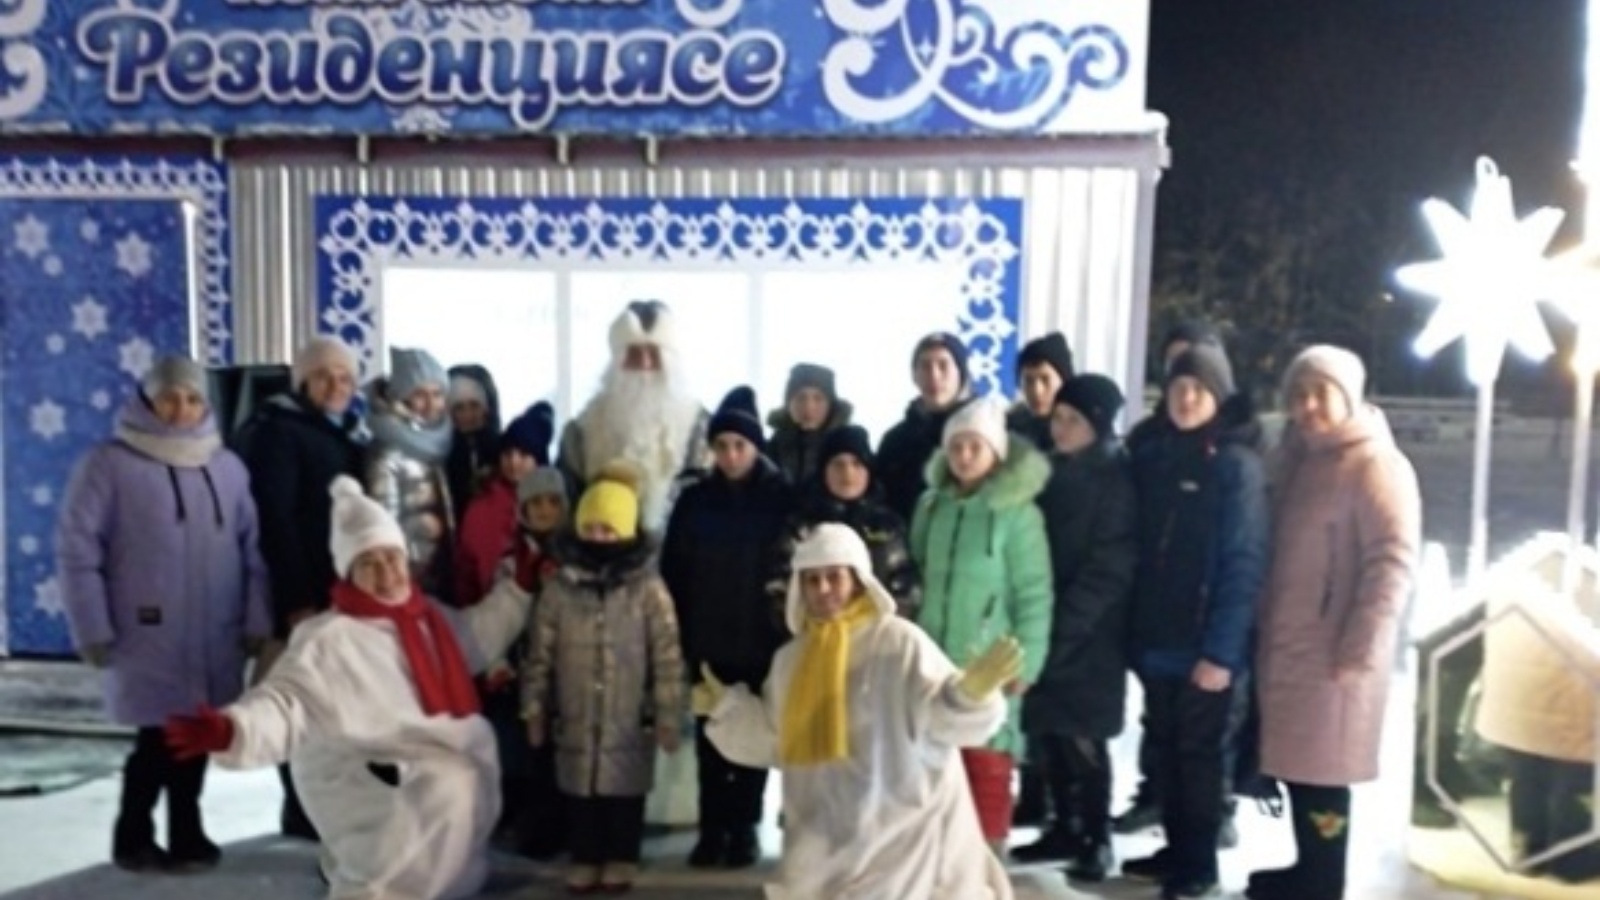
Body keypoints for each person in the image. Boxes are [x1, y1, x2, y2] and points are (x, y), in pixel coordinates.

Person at [165, 476, 529, 900]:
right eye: (368, 563)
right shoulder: (329, 637)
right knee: (445, 788)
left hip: (432, 754)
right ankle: (379, 890)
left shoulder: (427, 618)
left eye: (391, 558)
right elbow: (288, 701)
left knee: (459, 785)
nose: (385, 573)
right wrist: (235, 730)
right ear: (349, 572)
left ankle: (440, 880)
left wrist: (519, 590)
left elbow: (477, 636)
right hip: (359, 762)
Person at [699, 523, 1020, 900]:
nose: (823, 589)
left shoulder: (899, 642)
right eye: (812, 579)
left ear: (858, 579)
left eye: (834, 576)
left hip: (905, 839)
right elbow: (777, 741)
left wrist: (968, 696)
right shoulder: (790, 661)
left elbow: (939, 721)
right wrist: (728, 710)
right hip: (825, 838)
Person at [57, 355, 271, 873]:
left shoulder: (226, 467)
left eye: (193, 398)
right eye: (170, 397)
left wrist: (256, 620)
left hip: (213, 631)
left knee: (196, 734)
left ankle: (186, 830)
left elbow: (252, 551)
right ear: (147, 400)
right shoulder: (108, 465)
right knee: (156, 738)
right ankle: (133, 834)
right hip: (145, 633)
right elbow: (78, 551)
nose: (181, 408)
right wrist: (91, 626)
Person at [1248, 347, 1420, 900]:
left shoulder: (1374, 465)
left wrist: (1363, 645)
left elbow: (1392, 561)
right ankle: (1307, 868)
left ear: (1349, 396)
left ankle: (1323, 881)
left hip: (1335, 652)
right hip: (1290, 644)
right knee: (1301, 768)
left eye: (1320, 393)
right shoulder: (1297, 460)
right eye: (1298, 394)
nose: (1307, 406)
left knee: (1324, 772)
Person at [1121, 344, 1269, 900]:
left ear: (1219, 398)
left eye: (1199, 390)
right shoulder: (1156, 456)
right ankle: (1176, 849)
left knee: (1201, 758)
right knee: (1166, 750)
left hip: (1205, 645)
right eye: (1178, 387)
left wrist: (1222, 653)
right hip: (1158, 638)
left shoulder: (1236, 467)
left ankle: (1199, 863)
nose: (1186, 399)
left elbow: (1243, 562)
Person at [522, 461, 686, 894]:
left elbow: (667, 655)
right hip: (575, 711)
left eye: (608, 530)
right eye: (591, 528)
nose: (598, 538)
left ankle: (622, 854)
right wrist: (534, 706)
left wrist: (668, 713)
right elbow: (540, 653)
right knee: (580, 792)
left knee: (624, 793)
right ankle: (586, 855)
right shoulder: (560, 588)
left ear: (626, 532)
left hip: (629, 713)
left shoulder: (648, 589)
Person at [232, 335, 368, 841]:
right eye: (324, 376)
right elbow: (277, 520)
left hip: (340, 594)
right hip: (305, 597)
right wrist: (295, 600)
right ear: (303, 381)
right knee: (299, 700)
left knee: (332, 704)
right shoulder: (280, 434)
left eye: (345, 377)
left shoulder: (345, 432)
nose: (336, 386)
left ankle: (320, 803)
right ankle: (299, 805)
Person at [910, 394, 1054, 854]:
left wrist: (1026, 664)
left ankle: (988, 867)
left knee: (986, 765)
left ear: (995, 452)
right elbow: (914, 577)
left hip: (990, 664)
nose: (965, 455)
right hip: (932, 663)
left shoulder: (1018, 514)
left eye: (976, 446)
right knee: (934, 769)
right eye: (956, 446)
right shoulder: (930, 507)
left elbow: (1034, 593)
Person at [661, 385, 796, 868]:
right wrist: (682, 637)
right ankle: (711, 829)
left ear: (755, 446)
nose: (731, 455)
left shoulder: (782, 499)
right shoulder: (694, 501)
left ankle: (744, 829)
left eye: (740, 445)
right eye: (722, 446)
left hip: (763, 643)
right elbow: (674, 572)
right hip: (709, 642)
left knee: (754, 738)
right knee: (712, 739)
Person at [1012, 375, 1138, 882]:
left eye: (1073, 420)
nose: (1060, 428)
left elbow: (1111, 565)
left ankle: (1096, 835)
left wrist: (1064, 624)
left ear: (1098, 426)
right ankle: (1063, 825)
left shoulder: (1115, 479)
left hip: (1091, 632)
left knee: (1084, 738)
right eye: (1058, 418)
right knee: (1050, 734)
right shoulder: (1050, 471)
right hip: (1047, 619)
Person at [471, 465, 570, 859]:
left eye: (552, 502)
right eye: (535, 504)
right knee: (527, 753)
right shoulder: (511, 560)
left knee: (563, 754)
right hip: (522, 669)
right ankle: (533, 827)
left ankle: (564, 826)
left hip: (567, 669)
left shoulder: (576, 556)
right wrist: (496, 663)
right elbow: (498, 614)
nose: (544, 511)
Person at [557, 300, 711, 534]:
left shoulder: (700, 427)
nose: (645, 364)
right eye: (634, 353)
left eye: (654, 354)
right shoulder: (580, 432)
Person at [788, 424, 921, 618]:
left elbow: (906, 583)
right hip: (814, 630)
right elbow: (781, 584)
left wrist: (883, 626)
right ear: (823, 471)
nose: (847, 473)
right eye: (838, 464)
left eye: (857, 464)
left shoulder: (888, 525)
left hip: (878, 630)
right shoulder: (801, 525)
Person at [366, 346, 457, 604]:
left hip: (441, 567)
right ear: (401, 397)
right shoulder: (387, 451)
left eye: (437, 394)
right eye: (419, 394)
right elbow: (383, 523)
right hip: (408, 572)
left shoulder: (435, 441)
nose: (430, 404)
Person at [455, 402, 555, 606]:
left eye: (523, 455)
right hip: (490, 606)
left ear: (538, 459)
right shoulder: (483, 503)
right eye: (507, 454)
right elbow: (465, 566)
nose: (513, 462)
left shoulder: (553, 502)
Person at [876, 332, 974, 521]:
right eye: (925, 366)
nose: (934, 375)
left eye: (943, 365)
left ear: (961, 374)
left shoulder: (985, 437)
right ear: (914, 375)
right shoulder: (895, 441)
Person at [766, 363, 853, 485]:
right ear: (788, 403)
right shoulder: (770, 451)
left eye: (818, 398)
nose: (809, 407)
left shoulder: (849, 450)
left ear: (831, 405)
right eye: (800, 398)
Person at [444, 364, 503, 522]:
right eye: (459, 408)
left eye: (474, 405)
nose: (468, 415)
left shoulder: (504, 451)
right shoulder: (440, 454)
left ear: (487, 408)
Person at [1007, 332, 1075, 453]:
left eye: (1045, 380)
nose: (1037, 391)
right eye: (1028, 381)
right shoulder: (1010, 429)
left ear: (1063, 381)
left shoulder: (1082, 429)